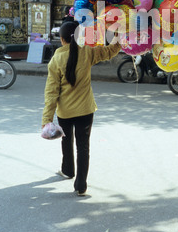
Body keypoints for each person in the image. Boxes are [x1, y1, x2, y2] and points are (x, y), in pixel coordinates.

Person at [41, 21, 121, 196]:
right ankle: (81, 185)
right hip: (85, 110)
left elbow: (51, 92)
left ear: (62, 39)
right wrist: (119, 37)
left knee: (66, 140)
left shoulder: (56, 60)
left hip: (65, 112)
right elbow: (110, 51)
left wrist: (46, 118)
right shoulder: (87, 53)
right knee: (83, 147)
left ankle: (68, 170)